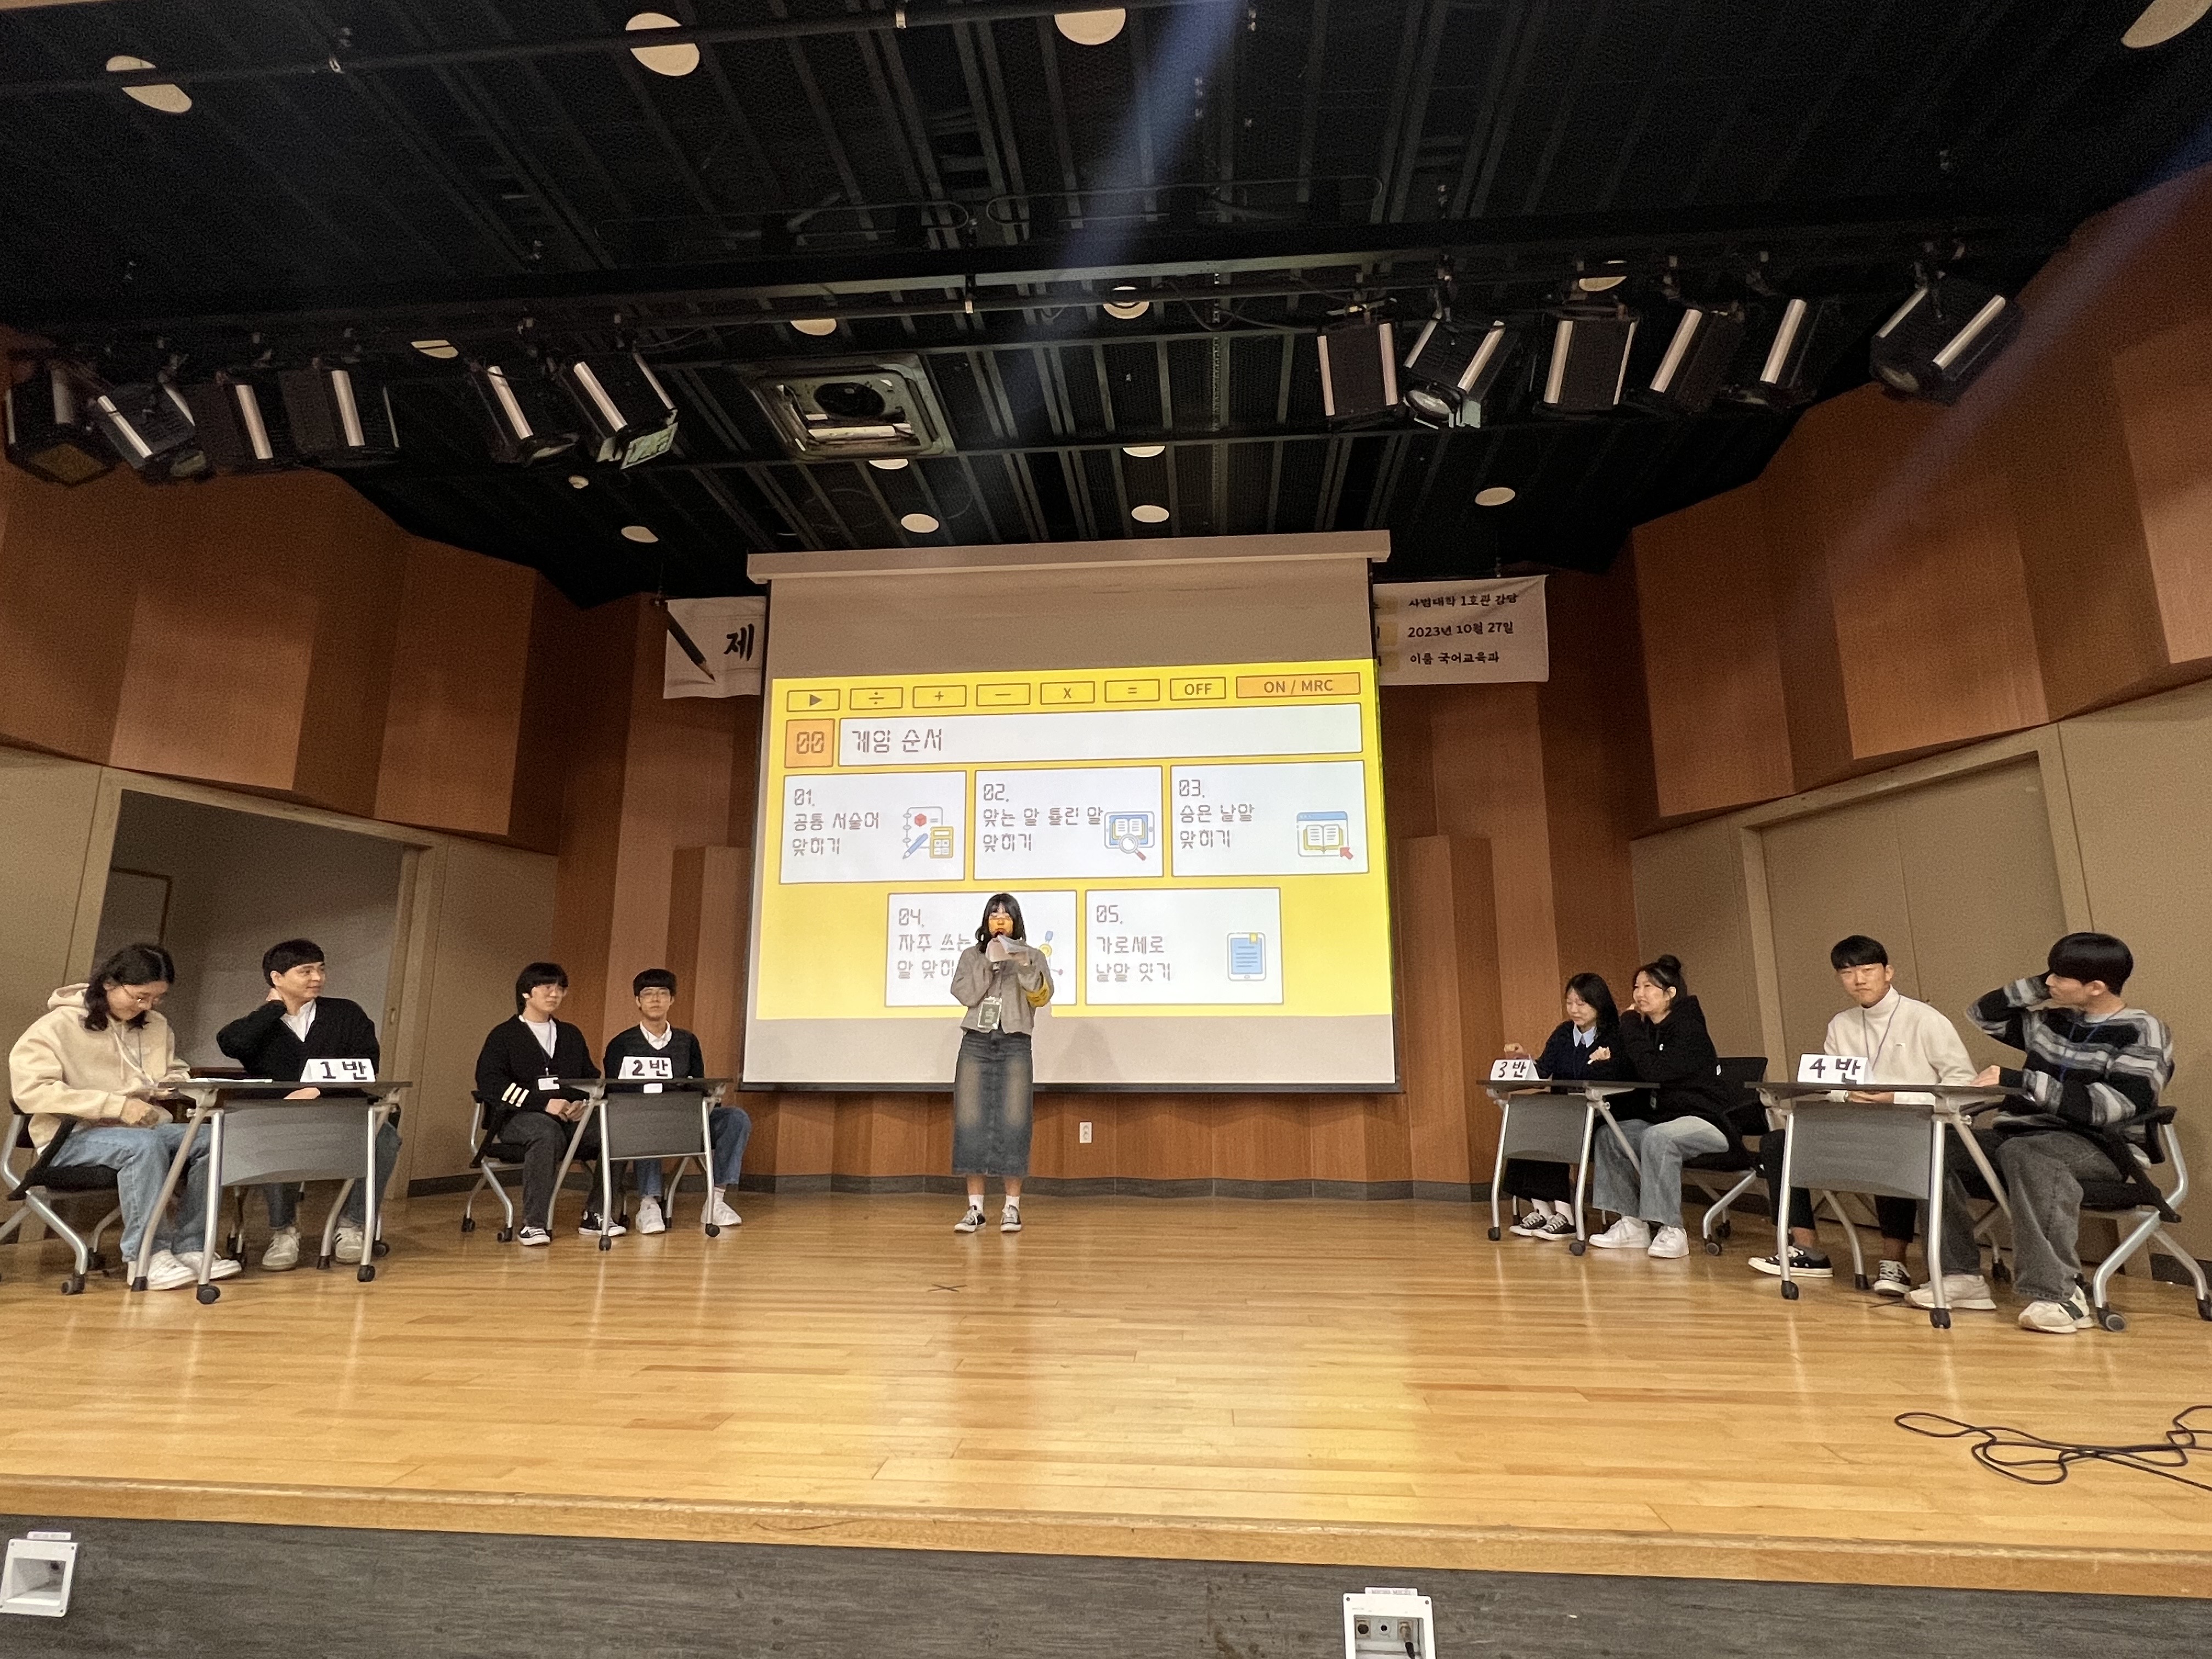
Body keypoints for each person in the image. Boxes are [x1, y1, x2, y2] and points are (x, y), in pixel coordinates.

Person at [1908, 933, 2172, 1335]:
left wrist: (2023, 1081)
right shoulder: (2054, 1021)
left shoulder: (2143, 1030)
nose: (2048, 982)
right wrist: (2049, 981)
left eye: (2059, 977)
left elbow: (2112, 1106)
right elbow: (1983, 1013)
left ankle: (2060, 1295)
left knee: (2027, 1154)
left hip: (2100, 1145)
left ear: (2096, 987)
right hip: (2021, 1136)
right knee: (1934, 1145)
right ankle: (1960, 1276)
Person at [1747, 935, 1976, 1295]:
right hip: (1857, 1123)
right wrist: (1847, 1094)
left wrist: (1897, 1098)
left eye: (1868, 970)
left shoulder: (1925, 1019)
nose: (1858, 980)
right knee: (1779, 1143)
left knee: (1888, 1142)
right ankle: (1807, 1249)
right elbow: (1831, 1083)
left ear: (1888, 972)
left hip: (1917, 1126)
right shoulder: (1842, 1024)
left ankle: (1895, 1262)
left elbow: (1964, 1085)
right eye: (1847, 973)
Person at [7, 943, 239, 1291]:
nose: (147, 1006)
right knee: (142, 1145)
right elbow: (32, 1092)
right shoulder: (56, 1027)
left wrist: (174, 1085)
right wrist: (116, 1106)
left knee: (211, 1139)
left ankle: (192, 1246)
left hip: (141, 1130)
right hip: (69, 1138)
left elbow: (171, 1070)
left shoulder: (155, 1025)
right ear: (110, 984)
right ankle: (146, 1256)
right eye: (140, 997)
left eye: (157, 999)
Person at [216, 937, 400, 1272]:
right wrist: (273, 1009)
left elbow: (367, 1065)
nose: (317, 978)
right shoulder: (262, 1025)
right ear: (277, 978)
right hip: (284, 1120)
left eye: (321, 970)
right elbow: (232, 1044)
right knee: (274, 1135)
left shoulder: (346, 1014)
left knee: (385, 1137)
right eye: (306, 971)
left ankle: (353, 1225)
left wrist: (318, 1089)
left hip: (341, 1115)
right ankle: (283, 1231)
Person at [1587, 954, 1735, 1260]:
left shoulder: (1689, 1029)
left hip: (1707, 1121)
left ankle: (1671, 1229)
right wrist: (1606, 1060)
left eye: (1648, 987)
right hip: (1663, 1120)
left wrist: (1629, 1025)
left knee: (1658, 1138)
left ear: (1670, 994)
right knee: (1610, 1136)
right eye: (1636, 986)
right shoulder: (1648, 1031)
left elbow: (1656, 1070)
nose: (1639, 994)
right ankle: (1631, 1223)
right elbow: (1635, 1069)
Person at [602, 968, 749, 1235]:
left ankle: (716, 1199)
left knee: (736, 1118)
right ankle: (648, 1203)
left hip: (685, 1120)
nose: (655, 999)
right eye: (648, 994)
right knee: (649, 1115)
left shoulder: (687, 1041)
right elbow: (614, 1092)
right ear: (638, 1001)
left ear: (672, 1000)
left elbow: (698, 1084)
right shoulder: (621, 1044)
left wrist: (705, 1094)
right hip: (640, 1122)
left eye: (662, 993)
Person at [473, 962, 605, 1247]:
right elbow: (490, 1083)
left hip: (569, 1119)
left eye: (560, 988)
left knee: (610, 1129)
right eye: (547, 987)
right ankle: (534, 1223)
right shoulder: (504, 1035)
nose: (554, 994)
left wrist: (582, 1103)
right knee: (545, 1131)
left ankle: (596, 1214)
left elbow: (591, 1078)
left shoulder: (571, 1034)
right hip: (517, 1118)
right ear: (526, 993)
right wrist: (543, 1104)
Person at [949, 893, 1052, 1234]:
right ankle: (975, 1208)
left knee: (1014, 1120)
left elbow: (1041, 996)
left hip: (1015, 1043)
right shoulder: (971, 956)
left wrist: (1020, 962)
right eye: (994, 914)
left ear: (1016, 921)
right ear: (987, 922)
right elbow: (965, 995)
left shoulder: (1033, 955)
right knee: (970, 1120)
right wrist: (990, 963)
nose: (1000, 919)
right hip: (976, 1043)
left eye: (1006, 914)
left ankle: (1012, 1207)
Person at [1498, 974, 1626, 1239]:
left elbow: (1619, 1075)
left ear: (1598, 1004)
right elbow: (1543, 1070)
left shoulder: (1615, 1035)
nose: (1574, 1010)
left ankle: (1567, 1213)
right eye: (1570, 1003)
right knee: (1529, 1123)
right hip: (1564, 1110)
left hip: (1599, 1112)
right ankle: (1542, 1208)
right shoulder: (1563, 1034)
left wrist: (1603, 1062)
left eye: (1582, 1003)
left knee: (1552, 1127)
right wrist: (1525, 1060)